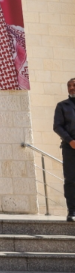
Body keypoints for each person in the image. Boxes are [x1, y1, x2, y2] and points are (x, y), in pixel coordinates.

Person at [53, 78, 75, 222]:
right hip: (70, 148)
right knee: (71, 180)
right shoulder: (62, 106)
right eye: (69, 86)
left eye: (74, 85)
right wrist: (70, 140)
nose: (71, 88)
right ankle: (72, 211)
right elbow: (57, 126)